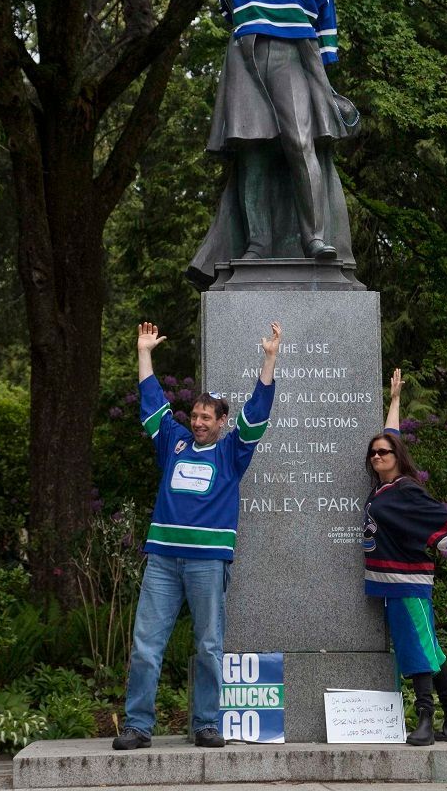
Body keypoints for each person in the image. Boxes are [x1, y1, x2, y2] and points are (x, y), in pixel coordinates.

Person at [148, 0, 412, 288]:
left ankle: (315, 239)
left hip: (294, 59)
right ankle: (256, 243)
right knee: (253, 151)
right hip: (248, 63)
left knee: (300, 142)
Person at [113, 319, 282, 750]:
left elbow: (258, 412)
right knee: (146, 645)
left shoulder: (232, 451)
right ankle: (137, 726)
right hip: (164, 561)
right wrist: (144, 351)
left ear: (223, 421)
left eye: (208, 416)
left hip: (208, 562)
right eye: (196, 415)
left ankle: (207, 723)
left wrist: (269, 359)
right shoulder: (173, 441)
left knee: (208, 646)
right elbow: (151, 402)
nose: (200, 422)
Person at [363, 369, 447, 746]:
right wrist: (393, 402)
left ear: (397, 457)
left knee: (416, 649)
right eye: (373, 453)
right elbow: (392, 434)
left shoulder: (405, 491)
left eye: (384, 452)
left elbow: (437, 518)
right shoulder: (384, 489)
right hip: (392, 584)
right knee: (430, 649)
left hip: (408, 582)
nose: (378, 456)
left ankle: (425, 718)